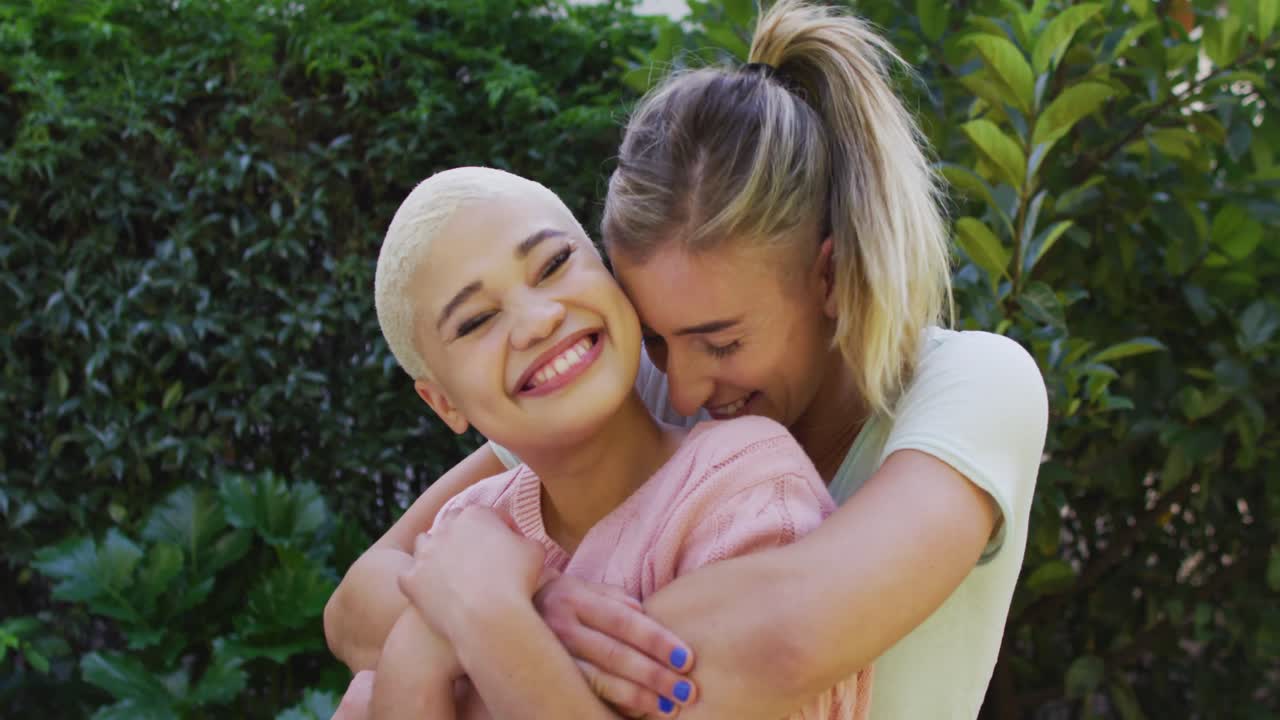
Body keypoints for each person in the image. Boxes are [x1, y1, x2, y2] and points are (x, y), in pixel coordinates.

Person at [326, 1, 1049, 718]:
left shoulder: (973, 386)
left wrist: (489, 607)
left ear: (829, 277)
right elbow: (360, 600)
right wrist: (524, 598)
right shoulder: (643, 384)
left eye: (722, 341)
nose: (685, 383)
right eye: (656, 334)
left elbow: (780, 648)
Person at [359, 165, 869, 719]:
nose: (538, 320)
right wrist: (415, 652)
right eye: (477, 320)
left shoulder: (742, 484)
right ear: (443, 404)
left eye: (554, 265)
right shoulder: (463, 534)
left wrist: (484, 615)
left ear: (610, 275)